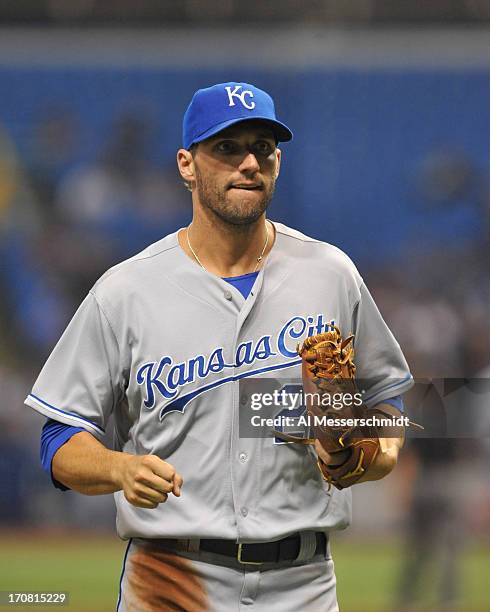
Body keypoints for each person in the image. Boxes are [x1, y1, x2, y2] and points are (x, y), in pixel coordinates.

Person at [26, 82, 413, 611]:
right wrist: (120, 468)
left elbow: (389, 404)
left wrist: (370, 450)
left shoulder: (331, 275)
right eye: (227, 148)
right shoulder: (126, 289)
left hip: (303, 585)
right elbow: (58, 439)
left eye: (263, 147)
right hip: (170, 579)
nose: (249, 162)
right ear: (187, 164)